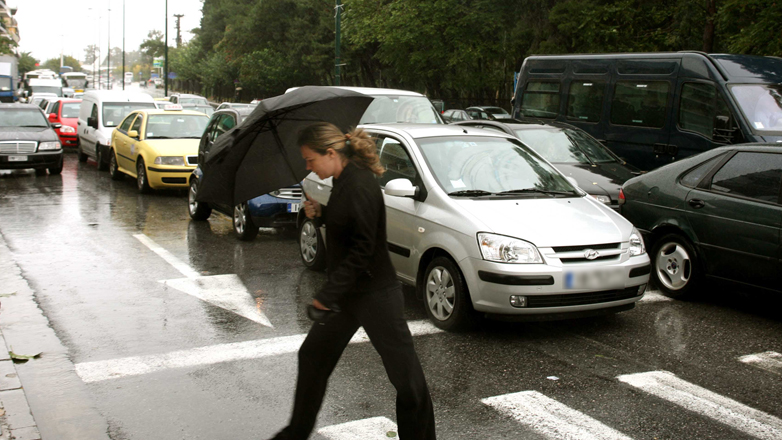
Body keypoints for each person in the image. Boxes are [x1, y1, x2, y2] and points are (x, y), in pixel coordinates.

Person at [269, 122, 436, 440]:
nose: (308, 167)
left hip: (375, 295)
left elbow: (362, 249)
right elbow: (352, 219)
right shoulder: (344, 180)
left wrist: (326, 295)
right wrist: (322, 212)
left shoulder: (359, 183)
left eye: (310, 159)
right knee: (313, 356)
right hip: (348, 294)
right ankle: (295, 433)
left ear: (330, 153)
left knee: (408, 381)